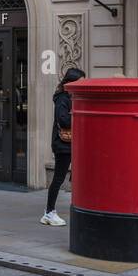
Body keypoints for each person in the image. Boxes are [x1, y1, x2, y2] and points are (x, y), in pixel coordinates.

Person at [41, 67, 85, 228]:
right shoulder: (62, 98)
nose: (83, 85)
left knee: (79, 173)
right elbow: (64, 120)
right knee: (58, 178)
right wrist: (79, 115)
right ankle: (49, 212)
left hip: (73, 143)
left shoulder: (72, 97)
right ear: (72, 82)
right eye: (81, 82)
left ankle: (80, 205)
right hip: (63, 144)